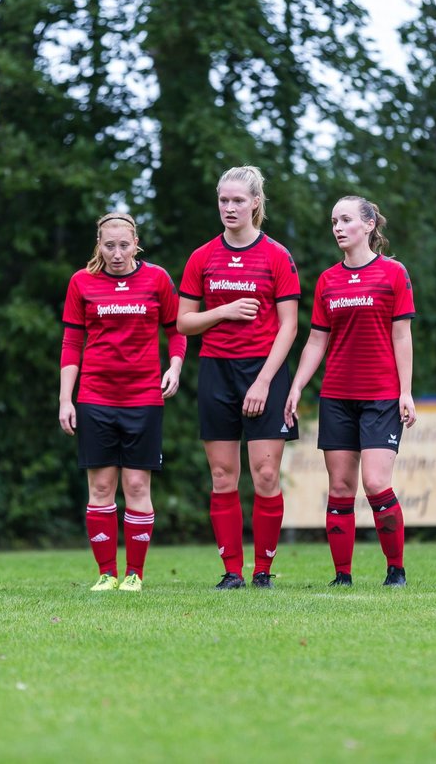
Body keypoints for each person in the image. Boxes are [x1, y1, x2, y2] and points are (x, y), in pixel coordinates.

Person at [178, 166, 300, 589]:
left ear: (255, 204)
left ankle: (262, 572)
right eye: (223, 201)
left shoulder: (277, 256)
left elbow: (289, 326)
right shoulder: (202, 257)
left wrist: (265, 380)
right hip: (217, 370)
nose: (229, 208)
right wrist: (224, 312)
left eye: (237, 201)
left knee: (265, 475)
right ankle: (231, 572)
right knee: (222, 476)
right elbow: (183, 323)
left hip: (264, 371)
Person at [284, 196, 416, 587]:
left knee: (376, 483)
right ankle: (342, 576)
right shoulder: (328, 279)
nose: (338, 227)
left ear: (369, 225)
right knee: (340, 487)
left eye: (346, 220)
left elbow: (402, 336)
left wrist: (405, 392)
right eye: (333, 221)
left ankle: (396, 569)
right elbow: (315, 341)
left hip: (380, 396)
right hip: (337, 396)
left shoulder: (393, 273)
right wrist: (296, 386)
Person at [59, 212, 186, 593]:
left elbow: (176, 330)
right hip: (95, 398)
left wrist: (175, 368)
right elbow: (70, 344)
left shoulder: (157, 279)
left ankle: (134, 575)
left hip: (143, 398)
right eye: (109, 245)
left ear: (136, 244)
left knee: (135, 486)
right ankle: (106, 574)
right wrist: (66, 399)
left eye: (123, 245)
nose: (116, 253)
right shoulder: (81, 282)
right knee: (100, 488)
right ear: (99, 244)